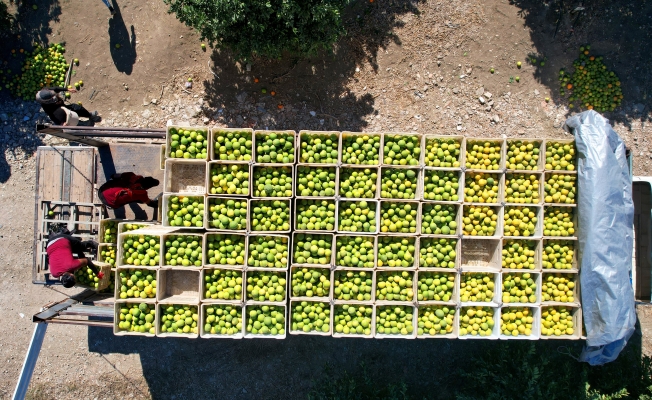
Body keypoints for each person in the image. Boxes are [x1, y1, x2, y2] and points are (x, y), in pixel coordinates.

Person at [36, 88, 101, 126]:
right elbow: (53, 116)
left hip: (64, 107)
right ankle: (85, 124)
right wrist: (62, 123)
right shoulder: (47, 107)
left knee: (78, 108)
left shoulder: (47, 90)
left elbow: (56, 88)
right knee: (73, 120)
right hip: (62, 115)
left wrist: (67, 89)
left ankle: (89, 115)